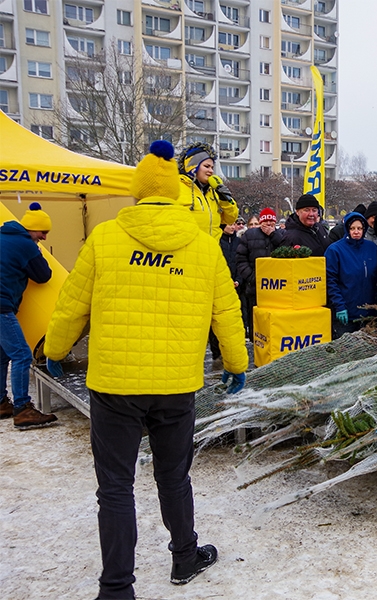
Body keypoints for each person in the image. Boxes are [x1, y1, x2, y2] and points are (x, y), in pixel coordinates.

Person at [43, 141, 248, 599]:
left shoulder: (105, 237)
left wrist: (54, 351)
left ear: (136, 193)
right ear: (176, 193)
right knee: (173, 476)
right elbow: (227, 312)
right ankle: (184, 556)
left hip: (115, 384)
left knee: (114, 487)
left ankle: (116, 588)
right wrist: (236, 364)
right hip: (175, 385)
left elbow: (71, 306)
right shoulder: (200, 244)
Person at [0, 202, 58, 429]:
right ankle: (23, 409)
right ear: (32, 229)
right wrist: (39, 253)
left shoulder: (4, 236)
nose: (43, 237)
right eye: (42, 232)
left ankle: (2, 403)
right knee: (23, 355)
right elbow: (44, 276)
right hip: (2, 305)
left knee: (3, 355)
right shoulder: (25, 244)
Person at [325, 212, 377, 338]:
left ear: (364, 229)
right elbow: (331, 281)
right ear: (347, 229)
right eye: (352, 228)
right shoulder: (335, 250)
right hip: (346, 312)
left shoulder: (373, 249)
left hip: (369, 313)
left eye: (359, 228)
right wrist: (339, 306)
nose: (356, 231)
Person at [235, 208, 285, 339]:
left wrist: (274, 235)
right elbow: (241, 259)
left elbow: (287, 252)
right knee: (256, 323)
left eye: (271, 221)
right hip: (254, 288)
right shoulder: (249, 235)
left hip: (278, 289)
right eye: (266, 221)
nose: (268, 224)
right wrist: (252, 277)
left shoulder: (281, 234)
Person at [176, 142, 239, 240]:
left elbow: (230, 219)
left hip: (211, 250)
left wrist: (225, 200)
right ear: (192, 167)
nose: (211, 171)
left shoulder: (213, 192)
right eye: (206, 166)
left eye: (212, 167)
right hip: (186, 250)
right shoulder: (177, 187)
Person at [210, 221, 243, 362]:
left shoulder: (239, 242)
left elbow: (241, 261)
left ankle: (233, 354)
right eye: (228, 224)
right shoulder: (216, 242)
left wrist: (238, 280)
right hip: (220, 285)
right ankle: (216, 353)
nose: (232, 226)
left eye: (233, 224)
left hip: (236, 285)